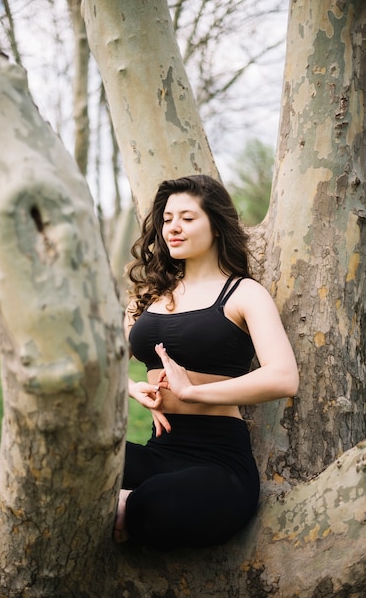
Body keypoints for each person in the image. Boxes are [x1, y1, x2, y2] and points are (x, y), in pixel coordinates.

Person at [114, 174, 299, 550]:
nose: (173, 228)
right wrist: (132, 388)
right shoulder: (147, 297)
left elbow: (283, 378)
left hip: (219, 463)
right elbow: (105, 368)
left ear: (215, 225)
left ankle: (125, 506)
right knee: (78, 460)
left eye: (187, 217)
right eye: (166, 219)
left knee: (154, 501)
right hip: (160, 451)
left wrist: (192, 392)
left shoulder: (244, 293)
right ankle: (125, 508)